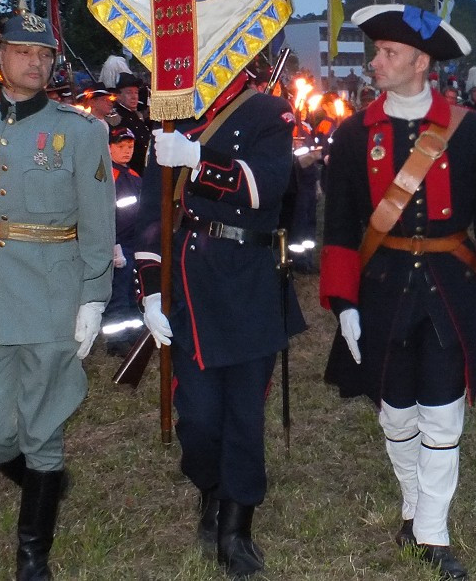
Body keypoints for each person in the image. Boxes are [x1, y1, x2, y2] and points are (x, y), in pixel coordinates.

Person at [321, 5, 476, 580]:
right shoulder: (355, 134)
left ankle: (432, 530)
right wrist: (345, 303)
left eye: (386, 53)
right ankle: (413, 506)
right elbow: (338, 226)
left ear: (421, 61)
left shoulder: (469, 129)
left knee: (442, 410)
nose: (374, 63)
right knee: (395, 412)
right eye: (376, 52)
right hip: (381, 288)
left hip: (450, 287)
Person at [0, 0, 115, 580]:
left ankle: (32, 553)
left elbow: (97, 219)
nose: (35, 63)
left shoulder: (80, 131)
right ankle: (46, 482)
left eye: (44, 54)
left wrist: (93, 295)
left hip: (50, 293)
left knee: (43, 427)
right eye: (23, 52)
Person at [136, 65, 305, 579]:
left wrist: (198, 158)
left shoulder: (266, 111)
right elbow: (150, 210)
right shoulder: (171, 111)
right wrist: (151, 288)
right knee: (200, 418)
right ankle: (210, 486)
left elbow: (267, 187)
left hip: (249, 279)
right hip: (191, 279)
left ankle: (236, 526)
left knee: (243, 418)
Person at [102, 125, 143, 356]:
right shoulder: (109, 177)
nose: (127, 151)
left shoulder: (134, 176)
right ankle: (116, 341)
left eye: (130, 146)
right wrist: (113, 245)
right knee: (118, 293)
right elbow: (104, 215)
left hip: (133, 243)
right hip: (117, 244)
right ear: (109, 148)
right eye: (121, 146)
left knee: (132, 291)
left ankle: (133, 334)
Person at [111, 73, 150, 175]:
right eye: (129, 93)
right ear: (118, 96)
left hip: (143, 170)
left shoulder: (137, 115)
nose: (134, 97)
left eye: (136, 93)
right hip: (128, 172)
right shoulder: (116, 117)